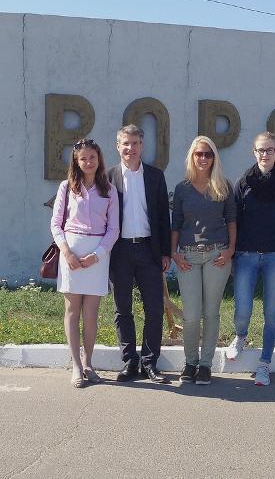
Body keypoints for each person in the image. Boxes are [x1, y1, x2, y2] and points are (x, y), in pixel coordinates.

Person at [225, 131, 275, 387]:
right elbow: (233, 221)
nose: (264, 154)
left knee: (271, 313)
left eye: (269, 150)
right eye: (260, 150)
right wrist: (232, 253)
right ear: (254, 152)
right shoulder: (243, 183)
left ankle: (264, 364)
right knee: (242, 310)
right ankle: (240, 336)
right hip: (245, 255)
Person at [50, 138, 120, 388]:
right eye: (83, 158)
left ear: (99, 159)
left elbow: (113, 229)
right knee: (72, 311)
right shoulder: (66, 187)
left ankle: (88, 363)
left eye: (92, 157)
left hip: (97, 256)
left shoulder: (109, 190)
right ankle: (76, 366)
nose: (89, 162)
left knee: (91, 314)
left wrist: (97, 255)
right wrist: (66, 252)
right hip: (71, 253)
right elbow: (56, 224)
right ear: (76, 162)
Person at [108, 124, 172, 383]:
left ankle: (149, 363)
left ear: (142, 146)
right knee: (122, 309)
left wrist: (165, 252)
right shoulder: (108, 177)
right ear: (118, 147)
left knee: (154, 309)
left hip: (149, 250)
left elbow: (163, 217)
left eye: (135, 143)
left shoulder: (155, 176)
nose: (130, 148)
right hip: (119, 251)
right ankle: (130, 361)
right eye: (125, 143)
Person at [171, 136, 236, 385]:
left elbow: (231, 221)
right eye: (199, 153)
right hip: (187, 255)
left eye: (208, 154)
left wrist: (230, 250)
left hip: (217, 255)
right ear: (192, 156)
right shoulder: (182, 188)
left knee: (211, 312)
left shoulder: (223, 185)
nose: (203, 158)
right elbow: (176, 223)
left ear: (214, 158)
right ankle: (190, 363)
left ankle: (206, 365)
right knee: (191, 314)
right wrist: (174, 252)